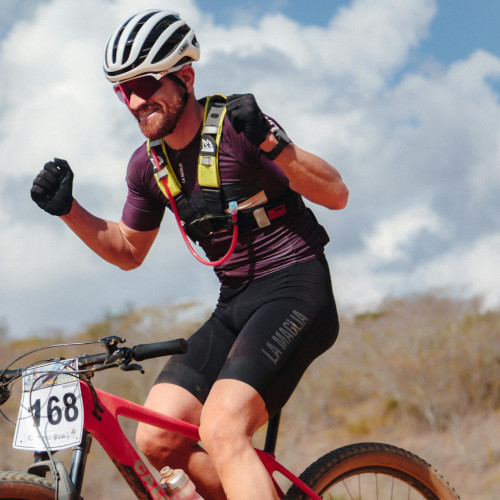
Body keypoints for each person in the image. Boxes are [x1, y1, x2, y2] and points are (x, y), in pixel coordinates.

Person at [31, 9, 348, 500]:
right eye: (122, 89)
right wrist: (68, 210)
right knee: (156, 438)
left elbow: (336, 193)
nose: (135, 100)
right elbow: (128, 250)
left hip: (297, 289)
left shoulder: (240, 126)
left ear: (186, 76)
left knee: (223, 427)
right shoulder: (147, 165)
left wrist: (272, 141)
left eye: (146, 84)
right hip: (234, 303)